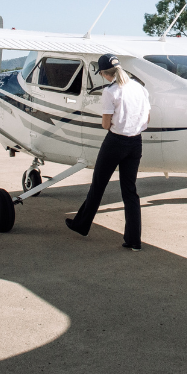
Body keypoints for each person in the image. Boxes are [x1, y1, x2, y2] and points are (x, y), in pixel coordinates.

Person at [65, 54, 151, 249]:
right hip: (136, 142)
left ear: (104, 73)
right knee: (130, 192)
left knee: (98, 185)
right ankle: (134, 240)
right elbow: (147, 119)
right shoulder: (139, 88)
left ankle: (81, 225)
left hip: (115, 142)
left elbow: (105, 124)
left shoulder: (110, 92)